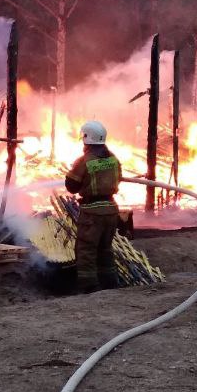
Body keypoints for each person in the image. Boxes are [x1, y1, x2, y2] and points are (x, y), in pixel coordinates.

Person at [64, 121, 122, 293]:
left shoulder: (84, 161)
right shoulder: (113, 159)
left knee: (86, 250)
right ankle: (110, 284)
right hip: (111, 210)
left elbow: (71, 186)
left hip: (92, 213)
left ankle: (90, 288)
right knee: (105, 248)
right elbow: (118, 178)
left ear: (86, 138)